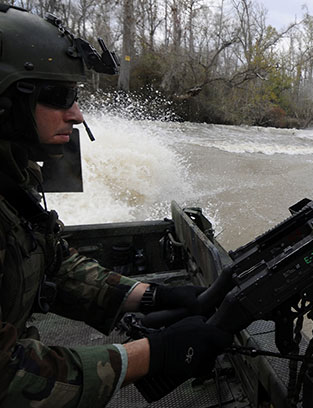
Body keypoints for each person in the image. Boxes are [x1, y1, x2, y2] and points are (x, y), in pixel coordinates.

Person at [0, 5, 232, 407]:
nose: (76, 114)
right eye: (59, 96)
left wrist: (152, 296)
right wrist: (148, 356)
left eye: (75, 96)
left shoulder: (15, 173)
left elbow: (53, 262)